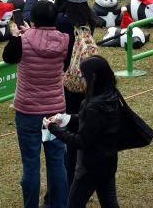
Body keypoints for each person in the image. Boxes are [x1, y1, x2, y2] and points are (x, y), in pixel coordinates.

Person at [23, 0, 100, 187]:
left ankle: (66, 187)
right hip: (83, 82)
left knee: (63, 138)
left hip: (64, 83)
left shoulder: (61, 22)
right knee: (77, 133)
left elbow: (33, 19)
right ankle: (76, 180)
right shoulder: (88, 17)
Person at [2, 0, 70, 208]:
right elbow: (63, 62)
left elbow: (7, 57)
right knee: (57, 161)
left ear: (32, 20)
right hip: (56, 110)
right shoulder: (64, 40)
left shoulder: (23, 40)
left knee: (31, 165)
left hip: (28, 111)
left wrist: (18, 35)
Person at [45, 56, 123, 208]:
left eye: (83, 76)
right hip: (108, 161)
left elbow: (81, 141)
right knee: (109, 202)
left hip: (89, 168)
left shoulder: (92, 106)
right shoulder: (112, 96)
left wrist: (53, 128)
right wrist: (65, 119)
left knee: (74, 204)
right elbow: (90, 122)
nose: (81, 80)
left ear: (93, 78)